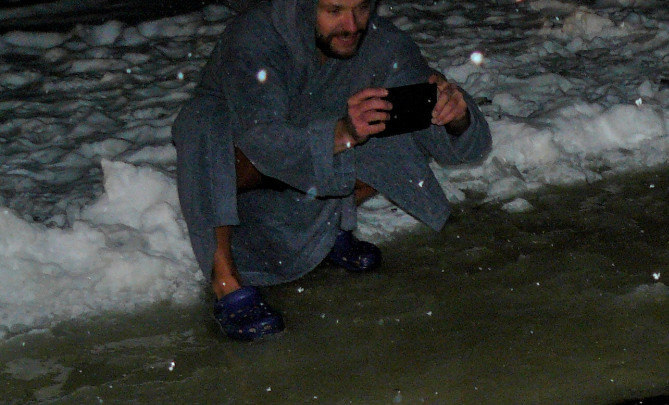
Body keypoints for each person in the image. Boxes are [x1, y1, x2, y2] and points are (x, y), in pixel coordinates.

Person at [172, 0, 491, 341]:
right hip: (240, 198)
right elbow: (262, 140)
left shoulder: (383, 43)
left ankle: (328, 230)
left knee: (397, 112)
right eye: (334, 11)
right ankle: (226, 282)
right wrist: (341, 134)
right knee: (202, 121)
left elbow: (464, 146)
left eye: (361, 8)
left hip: (311, 187)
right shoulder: (255, 35)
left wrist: (455, 116)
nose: (351, 26)